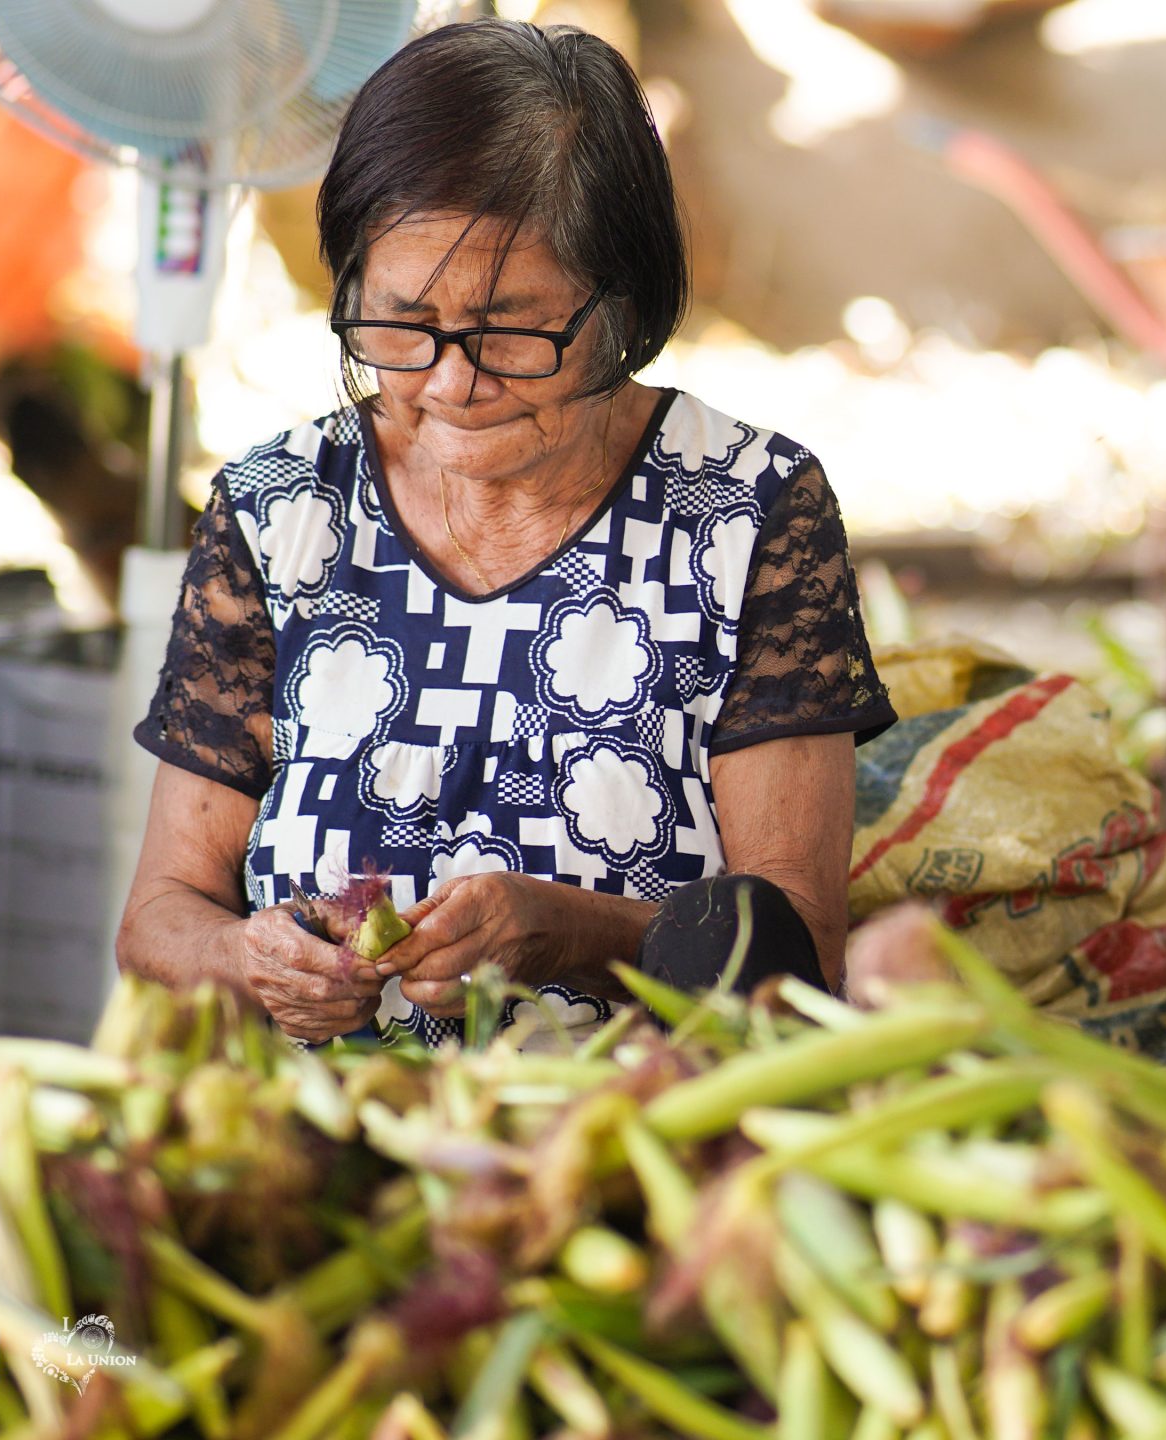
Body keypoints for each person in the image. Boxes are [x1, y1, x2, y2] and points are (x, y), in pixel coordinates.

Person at [117, 21, 893, 1046]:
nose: (447, 382)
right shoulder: (280, 509)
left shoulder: (746, 511)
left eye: (507, 332)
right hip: (318, 1159)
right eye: (399, 322)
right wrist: (243, 956)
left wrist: (576, 932)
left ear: (620, 304)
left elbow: (801, 950)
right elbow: (158, 918)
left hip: (625, 1146)